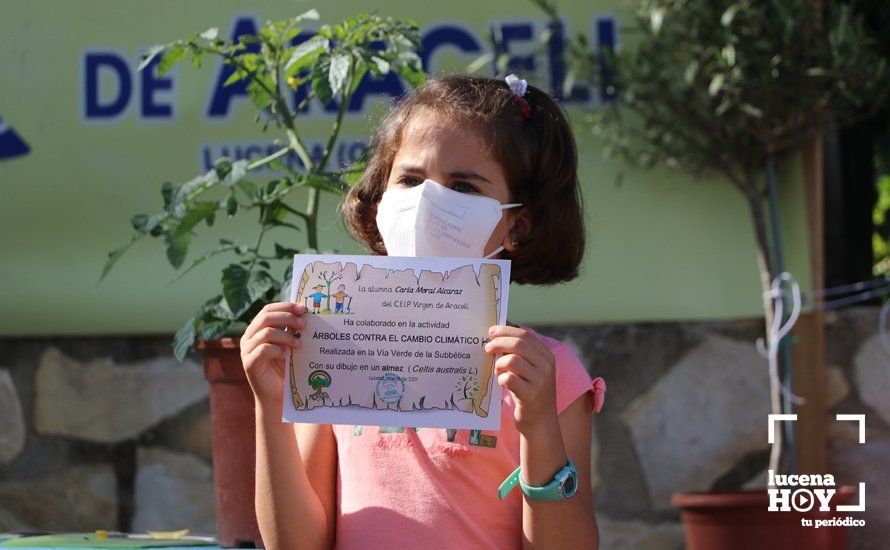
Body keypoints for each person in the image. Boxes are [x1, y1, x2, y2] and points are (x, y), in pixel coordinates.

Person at [239, 74, 606, 549]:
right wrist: (269, 404)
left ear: (518, 224)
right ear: (380, 199)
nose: (426, 203)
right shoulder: (330, 353)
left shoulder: (546, 377)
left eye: (464, 188)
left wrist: (538, 428)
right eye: (410, 180)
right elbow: (297, 543)